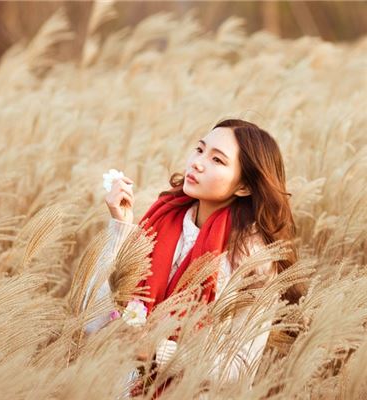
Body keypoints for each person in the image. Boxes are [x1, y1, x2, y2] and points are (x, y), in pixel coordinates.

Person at [82, 119, 306, 397]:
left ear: (244, 187)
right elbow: (92, 320)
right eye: (199, 150)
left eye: (217, 160)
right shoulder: (159, 224)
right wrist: (121, 228)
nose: (198, 163)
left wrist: (158, 350)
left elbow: (240, 369)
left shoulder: (251, 258)